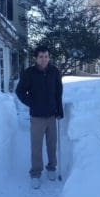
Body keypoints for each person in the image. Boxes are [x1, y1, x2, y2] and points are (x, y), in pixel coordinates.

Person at [15, 45, 63, 189]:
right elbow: (20, 92)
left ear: (49, 57)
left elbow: (58, 92)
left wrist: (59, 110)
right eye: (41, 57)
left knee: (52, 144)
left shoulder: (54, 71)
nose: (44, 59)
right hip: (37, 117)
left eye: (46, 56)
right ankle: (35, 173)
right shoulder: (29, 73)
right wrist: (32, 103)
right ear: (36, 58)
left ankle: (52, 168)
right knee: (36, 146)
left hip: (51, 115)